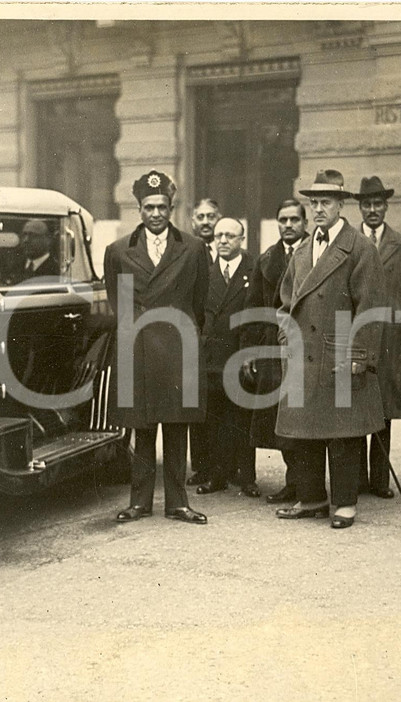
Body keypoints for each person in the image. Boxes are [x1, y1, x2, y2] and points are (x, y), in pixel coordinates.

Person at [274, 169, 386, 529]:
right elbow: (285, 302)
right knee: (305, 430)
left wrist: (359, 356)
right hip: (303, 352)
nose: (319, 209)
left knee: (343, 433)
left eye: (326, 202)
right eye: (314, 203)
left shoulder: (360, 248)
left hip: (339, 353)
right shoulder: (303, 249)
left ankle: (345, 503)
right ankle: (312, 498)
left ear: (340, 205)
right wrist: (285, 339)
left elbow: (371, 308)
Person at [103, 169, 210, 525]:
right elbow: (117, 302)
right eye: (149, 207)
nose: (156, 214)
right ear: (139, 209)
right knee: (143, 426)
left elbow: (199, 301)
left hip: (178, 348)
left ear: (171, 208)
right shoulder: (118, 251)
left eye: (162, 207)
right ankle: (139, 503)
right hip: (138, 349)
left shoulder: (193, 248)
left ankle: (178, 503)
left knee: (177, 427)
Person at [352, 176, 401, 499]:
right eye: (367, 204)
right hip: (357, 332)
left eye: (378, 204)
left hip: (390, 338)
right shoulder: (350, 242)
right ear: (360, 207)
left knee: (383, 409)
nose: (372, 210)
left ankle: (379, 481)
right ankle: (356, 479)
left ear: (386, 207)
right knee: (355, 406)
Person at [241, 199, 309, 504]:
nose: (289, 225)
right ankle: (294, 481)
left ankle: (307, 484)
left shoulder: (316, 254)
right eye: (283, 220)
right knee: (280, 418)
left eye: (294, 219)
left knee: (305, 415)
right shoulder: (267, 259)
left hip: (306, 344)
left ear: (305, 223)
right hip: (273, 345)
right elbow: (253, 307)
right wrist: (248, 352)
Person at [195, 217, 260, 498]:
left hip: (240, 353)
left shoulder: (253, 270)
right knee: (214, 419)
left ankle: (247, 478)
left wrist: (251, 352)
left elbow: (257, 314)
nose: (223, 240)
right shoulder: (205, 273)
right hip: (212, 356)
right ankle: (217, 475)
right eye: (219, 235)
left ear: (241, 240)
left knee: (242, 417)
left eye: (230, 236)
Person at [187, 198, 222, 485]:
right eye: (201, 217)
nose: (206, 222)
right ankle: (201, 466)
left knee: (223, 405)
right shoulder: (187, 252)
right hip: (195, 335)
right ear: (192, 221)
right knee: (196, 403)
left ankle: (227, 467)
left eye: (211, 216)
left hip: (221, 339)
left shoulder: (228, 249)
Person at [4, 219, 58, 284]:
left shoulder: (56, 270)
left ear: (48, 240)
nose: (26, 240)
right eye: (24, 235)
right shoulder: (15, 267)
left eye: (33, 235)